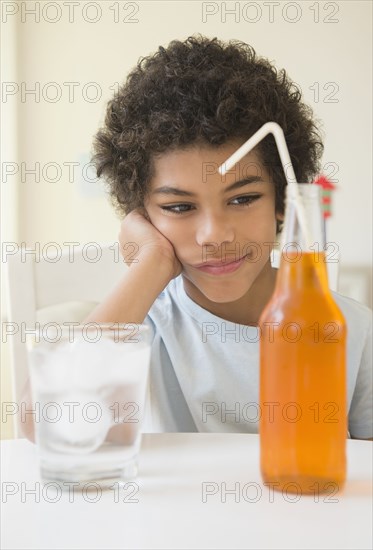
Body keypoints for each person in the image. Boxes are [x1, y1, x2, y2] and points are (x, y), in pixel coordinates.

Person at [23, 35, 372, 441]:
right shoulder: (140, 327)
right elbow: (44, 424)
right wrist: (150, 263)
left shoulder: (353, 329)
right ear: (143, 214)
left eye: (242, 198)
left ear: (284, 201)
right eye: (179, 207)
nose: (215, 234)